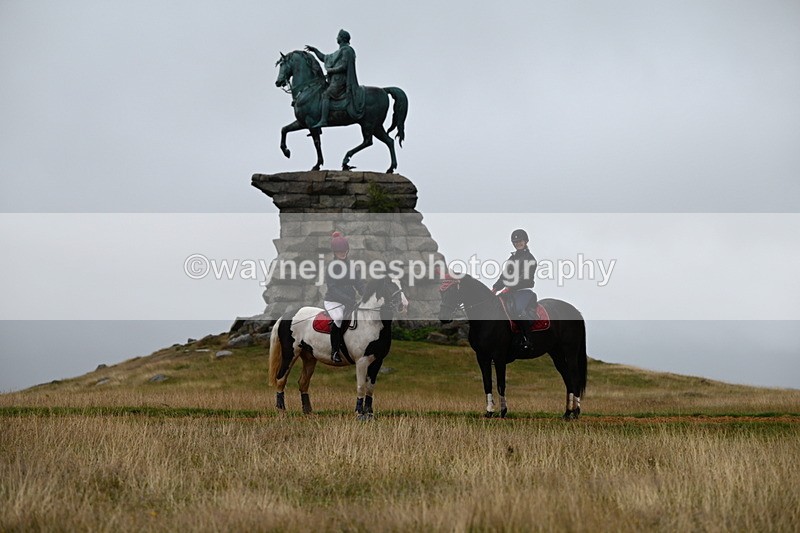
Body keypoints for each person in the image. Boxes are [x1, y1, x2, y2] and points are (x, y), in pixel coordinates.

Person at [305, 29, 364, 128]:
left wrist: (332, 70)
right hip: (335, 80)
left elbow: (344, 66)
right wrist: (315, 50)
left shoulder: (347, 50)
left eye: (338, 36)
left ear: (341, 38)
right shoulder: (339, 52)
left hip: (341, 81)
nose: (337, 38)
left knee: (326, 94)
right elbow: (325, 58)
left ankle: (323, 120)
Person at [323, 231, 365, 363]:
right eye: (340, 251)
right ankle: (334, 351)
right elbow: (333, 288)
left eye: (345, 250)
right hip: (333, 301)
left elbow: (358, 283)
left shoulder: (351, 266)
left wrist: (367, 294)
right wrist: (348, 300)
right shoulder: (331, 267)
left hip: (349, 302)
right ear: (334, 252)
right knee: (339, 319)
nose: (343, 253)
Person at [492, 229, 538, 346]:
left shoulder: (530, 259)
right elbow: (504, 276)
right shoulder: (512, 259)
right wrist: (495, 288)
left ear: (526, 241)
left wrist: (510, 287)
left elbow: (524, 279)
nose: (518, 243)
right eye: (515, 242)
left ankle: (528, 339)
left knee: (517, 311)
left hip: (524, 291)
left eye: (520, 241)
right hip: (510, 291)